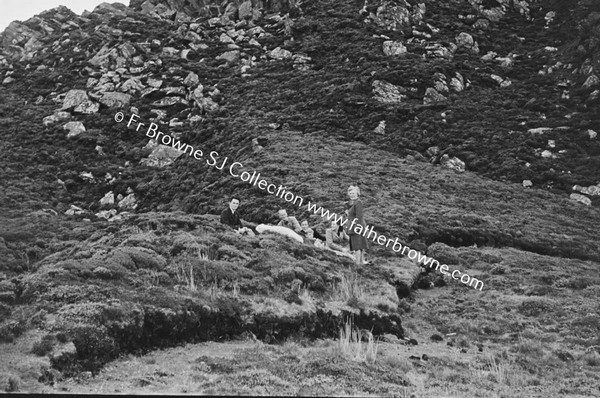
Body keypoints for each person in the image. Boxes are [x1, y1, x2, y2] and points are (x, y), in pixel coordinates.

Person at [346, 185, 368, 265]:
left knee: (357, 246)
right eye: (350, 193)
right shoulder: (354, 203)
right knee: (360, 245)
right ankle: (361, 262)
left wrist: (357, 228)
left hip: (356, 227)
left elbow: (359, 216)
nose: (352, 195)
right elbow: (353, 215)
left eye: (353, 193)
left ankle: (357, 264)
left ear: (357, 194)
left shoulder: (358, 203)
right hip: (355, 226)